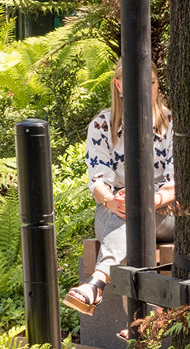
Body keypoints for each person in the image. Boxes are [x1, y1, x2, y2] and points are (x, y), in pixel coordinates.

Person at [66, 67, 175, 314]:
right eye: (136, 82)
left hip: (164, 212)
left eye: (152, 82)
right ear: (119, 85)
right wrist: (112, 201)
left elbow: (174, 184)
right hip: (114, 208)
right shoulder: (101, 125)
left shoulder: (171, 124)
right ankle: (145, 320)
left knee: (132, 214)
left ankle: (98, 284)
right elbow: (98, 181)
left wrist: (148, 201)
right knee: (127, 216)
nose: (146, 88)